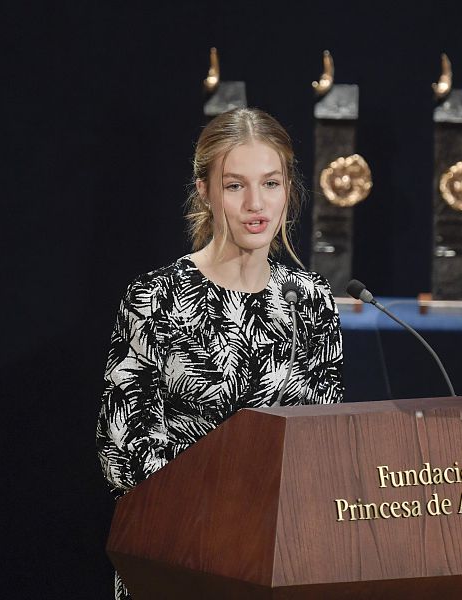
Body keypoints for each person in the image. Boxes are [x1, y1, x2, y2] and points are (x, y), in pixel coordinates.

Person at [95, 107, 344, 600]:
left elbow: (324, 448)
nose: (257, 203)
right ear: (204, 191)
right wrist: (226, 515)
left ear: (288, 190)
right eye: (235, 186)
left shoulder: (311, 298)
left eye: (271, 183)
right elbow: (121, 455)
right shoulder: (155, 297)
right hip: (179, 562)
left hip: (281, 566)